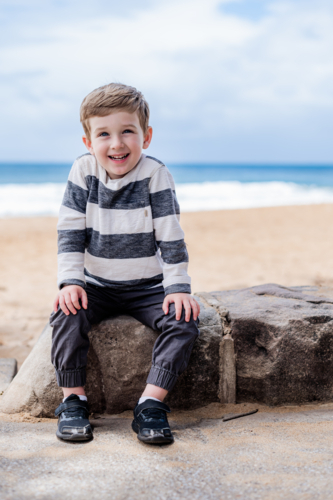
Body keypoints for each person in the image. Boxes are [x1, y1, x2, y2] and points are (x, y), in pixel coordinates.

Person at [50, 83, 200, 445]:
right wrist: (71, 282)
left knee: (185, 320)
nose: (116, 144)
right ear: (88, 141)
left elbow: (170, 235)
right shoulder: (83, 171)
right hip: (96, 286)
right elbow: (70, 229)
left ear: (145, 136)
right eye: (104, 134)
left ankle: (151, 404)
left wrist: (177, 286)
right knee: (65, 315)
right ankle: (74, 400)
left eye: (127, 132)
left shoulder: (155, 174)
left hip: (148, 288)